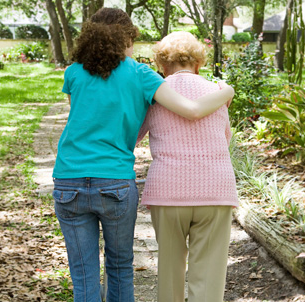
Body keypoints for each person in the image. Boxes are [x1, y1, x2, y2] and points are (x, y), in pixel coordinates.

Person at [52, 8, 234, 302]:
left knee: (83, 271)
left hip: (70, 178)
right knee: (120, 265)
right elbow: (199, 116)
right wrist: (227, 91)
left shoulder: (73, 72)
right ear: (127, 39)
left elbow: (83, 119)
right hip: (116, 181)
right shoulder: (141, 76)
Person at [136, 31, 239, 302]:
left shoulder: (154, 94)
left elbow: (132, 137)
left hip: (168, 191)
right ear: (198, 62)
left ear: (161, 64)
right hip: (215, 189)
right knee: (209, 277)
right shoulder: (217, 93)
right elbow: (224, 138)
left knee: (169, 272)